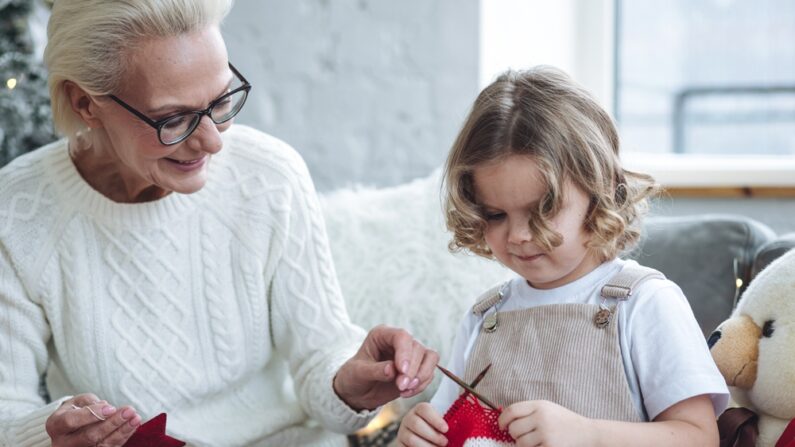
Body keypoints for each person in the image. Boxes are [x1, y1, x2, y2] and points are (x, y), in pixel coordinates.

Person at [0, 1, 438, 446]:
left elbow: (320, 355)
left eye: (221, 100)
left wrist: (352, 384)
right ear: (84, 104)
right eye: (174, 119)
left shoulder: (270, 177)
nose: (212, 141)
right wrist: (49, 435)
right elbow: (5, 412)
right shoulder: (18, 209)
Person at [396, 66, 729, 446]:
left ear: (599, 190)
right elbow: (452, 429)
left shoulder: (645, 303)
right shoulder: (485, 317)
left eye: (544, 210)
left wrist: (590, 435)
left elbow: (699, 438)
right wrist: (420, 435)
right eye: (495, 215)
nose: (519, 235)